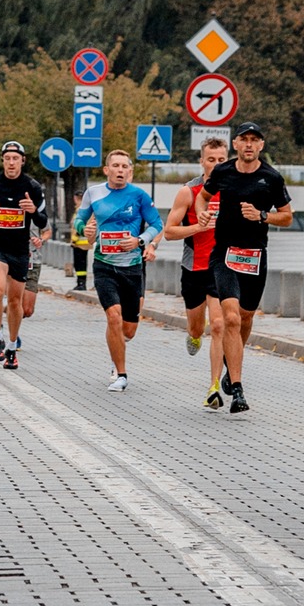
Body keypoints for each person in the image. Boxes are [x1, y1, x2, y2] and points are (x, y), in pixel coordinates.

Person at [202, 122, 292, 415]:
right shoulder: (223, 172)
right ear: (236, 145)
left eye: (255, 140)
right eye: (244, 140)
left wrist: (262, 215)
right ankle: (238, 390)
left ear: (261, 146)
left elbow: (287, 217)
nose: (250, 145)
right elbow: (204, 195)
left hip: (254, 257)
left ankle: (232, 363)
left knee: (245, 317)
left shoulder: (271, 178)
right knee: (230, 318)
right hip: (224, 254)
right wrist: (205, 211)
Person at [72, 149, 163, 391]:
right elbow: (79, 220)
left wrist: (140, 241)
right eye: (116, 166)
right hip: (104, 265)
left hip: (132, 267)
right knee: (113, 316)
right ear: (107, 170)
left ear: (130, 172)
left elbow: (157, 224)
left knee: (129, 330)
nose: (120, 170)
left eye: (125, 167)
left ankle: (117, 348)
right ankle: (121, 374)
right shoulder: (94, 193)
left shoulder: (140, 196)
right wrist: (85, 230)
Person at [162, 137, 229, 407]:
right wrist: (197, 228)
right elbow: (169, 232)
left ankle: (214, 387)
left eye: (221, 160)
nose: (215, 164)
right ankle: (193, 334)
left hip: (221, 266)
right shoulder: (188, 192)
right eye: (210, 159)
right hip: (194, 267)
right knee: (197, 326)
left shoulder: (234, 189)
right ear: (201, 161)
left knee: (219, 324)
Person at [0, 142, 49, 370]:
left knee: (16, 301)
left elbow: (43, 221)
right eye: (7, 158)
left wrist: (33, 211)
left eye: (15, 159)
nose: (11, 162)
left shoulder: (32, 186)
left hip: (19, 249)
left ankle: (11, 346)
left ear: (22, 161)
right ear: (3, 160)